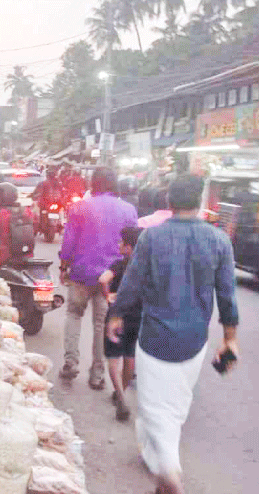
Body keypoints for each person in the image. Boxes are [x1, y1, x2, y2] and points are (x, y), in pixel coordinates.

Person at [107, 174, 239, 494]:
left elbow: (132, 283)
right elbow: (227, 295)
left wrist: (117, 313)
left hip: (154, 336)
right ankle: (158, 466)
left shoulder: (151, 238)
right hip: (195, 339)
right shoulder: (219, 240)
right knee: (176, 406)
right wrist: (230, 338)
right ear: (199, 203)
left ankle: (168, 470)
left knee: (154, 407)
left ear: (169, 202)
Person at [58, 167, 138, 389]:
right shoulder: (129, 210)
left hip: (80, 274)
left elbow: (69, 242)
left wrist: (64, 266)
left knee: (74, 315)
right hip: (110, 278)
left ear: (93, 184)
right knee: (102, 325)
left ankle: (70, 364)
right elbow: (132, 246)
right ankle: (97, 374)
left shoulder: (79, 207)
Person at [98, 226, 143, 422]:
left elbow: (103, 279)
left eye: (121, 242)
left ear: (128, 246)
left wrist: (108, 296)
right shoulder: (146, 266)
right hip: (138, 316)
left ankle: (121, 396)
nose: (118, 245)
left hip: (118, 315)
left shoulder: (121, 264)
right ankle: (121, 393)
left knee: (114, 357)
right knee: (130, 356)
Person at [0, 182, 35, 267]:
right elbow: (35, 227)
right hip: (27, 254)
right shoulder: (27, 211)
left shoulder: (2, 213)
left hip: (5, 256)